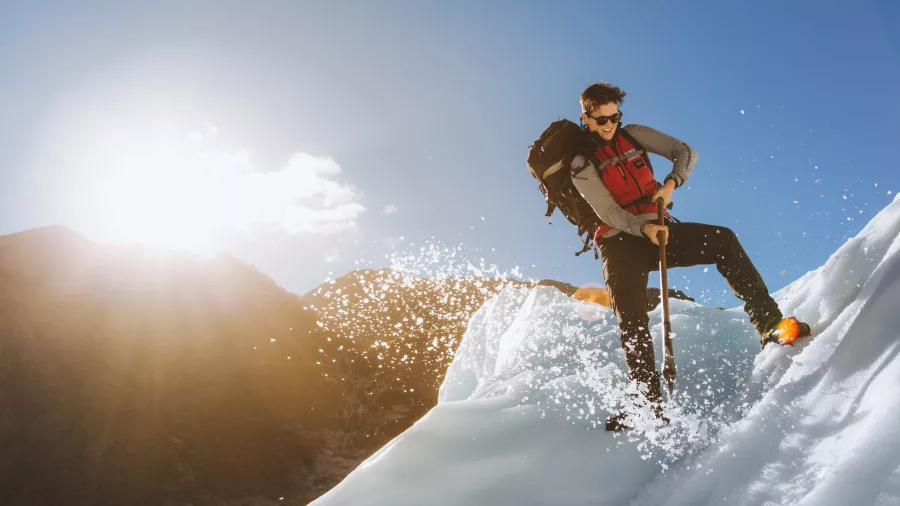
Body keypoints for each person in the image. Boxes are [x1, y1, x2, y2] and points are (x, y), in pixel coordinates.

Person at [570, 82, 811, 431]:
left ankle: (770, 326)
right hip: (620, 239)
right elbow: (607, 210)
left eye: (614, 117)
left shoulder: (634, 135)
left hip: (658, 227)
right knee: (631, 316)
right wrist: (643, 228)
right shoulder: (581, 162)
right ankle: (645, 402)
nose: (609, 126)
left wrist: (670, 184)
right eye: (601, 120)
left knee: (723, 241)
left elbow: (685, 152)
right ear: (586, 117)